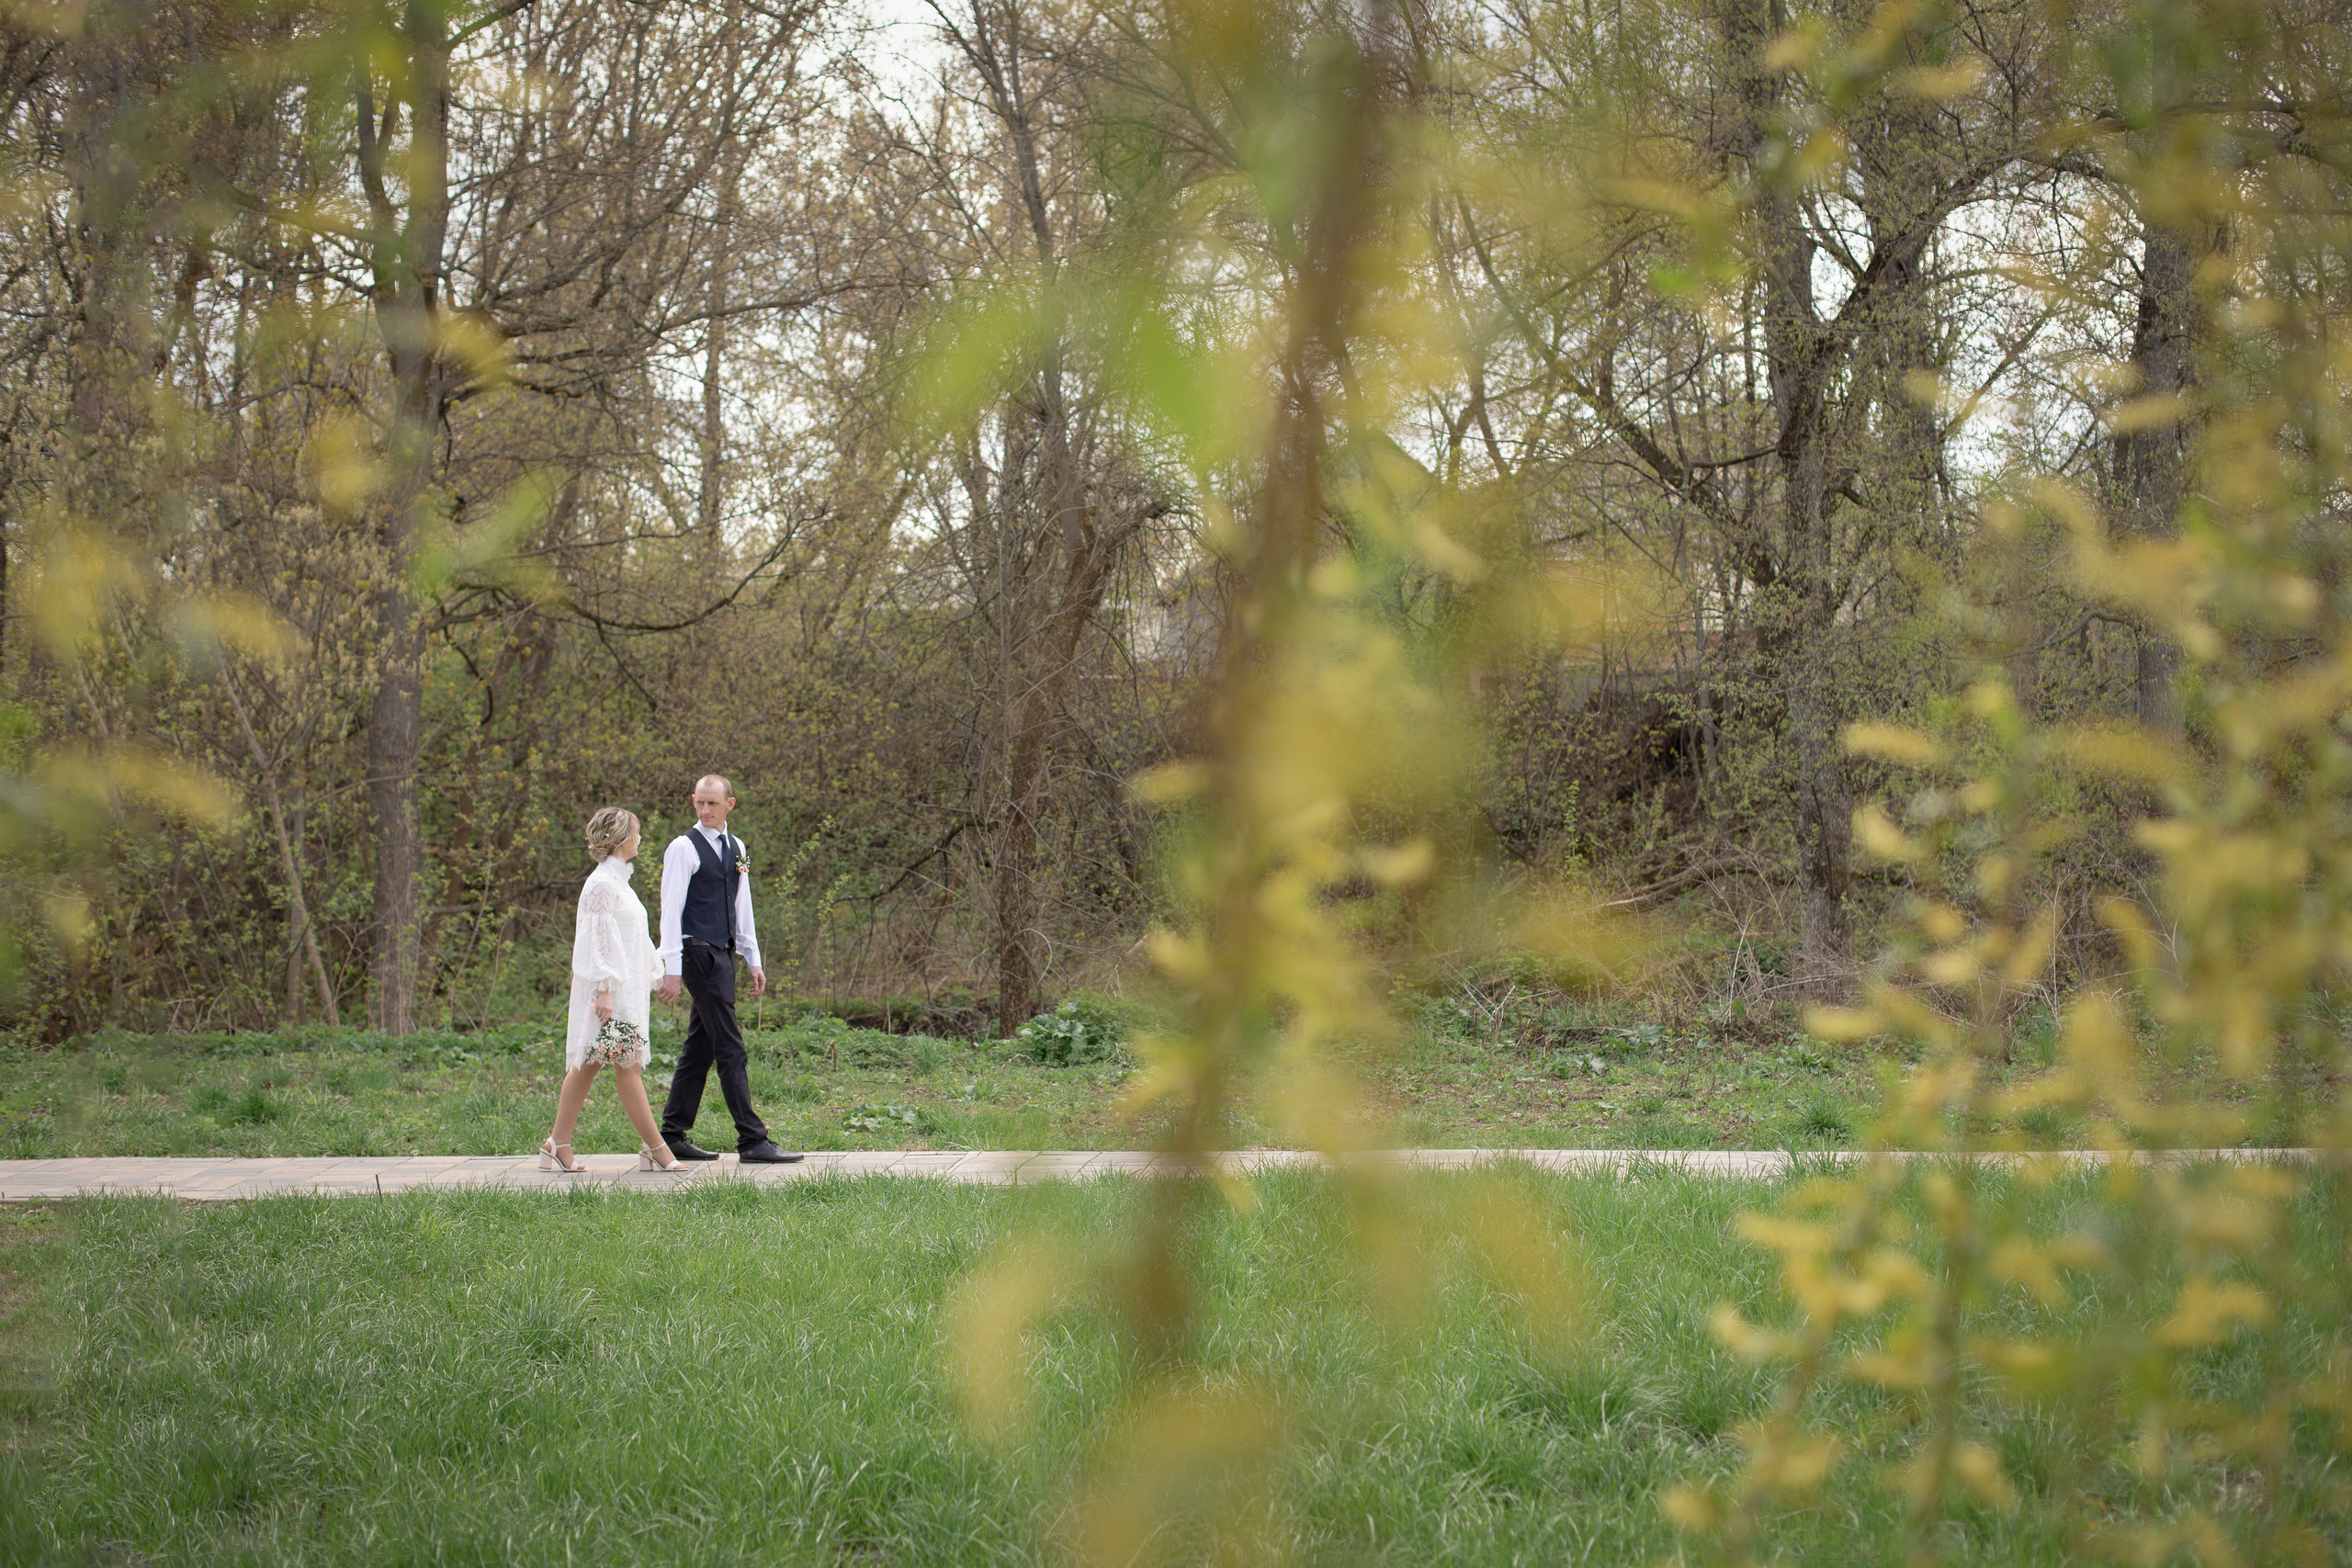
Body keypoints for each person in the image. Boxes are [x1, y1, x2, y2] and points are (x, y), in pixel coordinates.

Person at [655, 774, 803, 1164]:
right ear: (693, 801)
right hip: (695, 953)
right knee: (731, 1047)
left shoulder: (736, 847)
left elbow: (743, 904)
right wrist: (670, 965)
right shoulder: (682, 848)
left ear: (730, 804)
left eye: (713, 804)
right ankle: (752, 1139)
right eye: (699, 803)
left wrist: (752, 958)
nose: (705, 810)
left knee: (699, 1049)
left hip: (723, 954)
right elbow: (669, 910)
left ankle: (671, 1134)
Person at [539, 807, 684, 1174]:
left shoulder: (620, 882)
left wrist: (657, 974)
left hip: (627, 992)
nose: (640, 838)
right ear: (621, 839)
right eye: (636, 832)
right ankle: (657, 1149)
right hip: (612, 997)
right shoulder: (603, 883)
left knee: (588, 1065)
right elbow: (597, 939)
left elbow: (633, 937)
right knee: (627, 1066)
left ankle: (557, 1143)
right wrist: (604, 989)